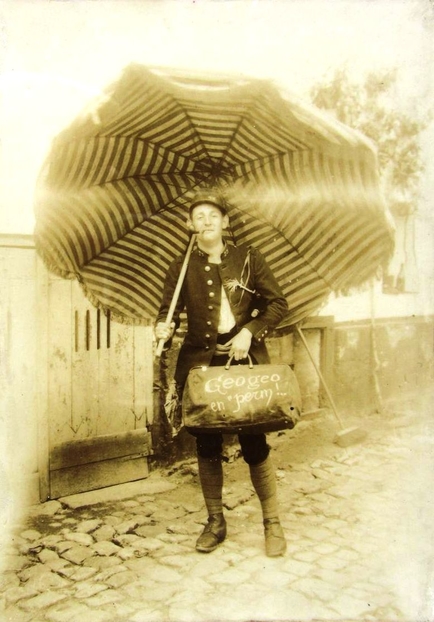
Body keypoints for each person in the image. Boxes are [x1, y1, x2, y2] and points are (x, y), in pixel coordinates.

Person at [155, 189, 289, 557]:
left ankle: (272, 522)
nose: (207, 221)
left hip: (245, 361)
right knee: (208, 443)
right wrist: (162, 330)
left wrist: (249, 331)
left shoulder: (248, 257)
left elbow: (278, 303)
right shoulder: (181, 267)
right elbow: (167, 312)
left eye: (213, 215)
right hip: (201, 365)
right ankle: (215, 521)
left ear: (225, 222)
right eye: (198, 216)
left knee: (254, 442)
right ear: (190, 225)